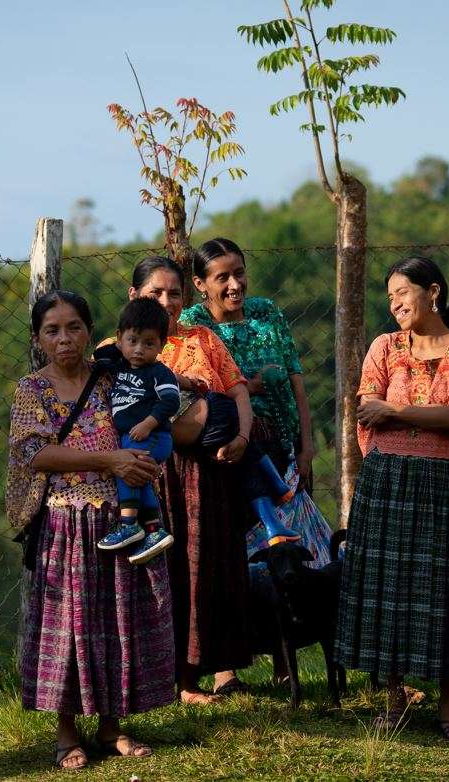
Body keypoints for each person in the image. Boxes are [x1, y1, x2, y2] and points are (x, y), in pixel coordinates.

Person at [7, 290, 175, 770]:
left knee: (117, 623)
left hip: (118, 518)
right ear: (38, 339)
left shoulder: (113, 378)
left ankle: (111, 726)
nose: (65, 339)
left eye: (74, 327)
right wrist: (111, 459)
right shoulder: (32, 390)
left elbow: (151, 419)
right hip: (65, 521)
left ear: (90, 330)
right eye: (52, 330)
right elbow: (32, 455)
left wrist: (143, 461)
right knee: (68, 629)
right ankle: (65, 733)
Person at [337, 256, 449, 744]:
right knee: (390, 589)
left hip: (445, 483)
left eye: (402, 293)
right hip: (387, 481)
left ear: (433, 292)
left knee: (447, 590)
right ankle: (393, 697)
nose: (395, 304)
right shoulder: (384, 347)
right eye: (390, 297)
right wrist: (412, 414)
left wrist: (398, 411)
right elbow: (367, 409)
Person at [127, 256, 256, 701]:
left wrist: (241, 435)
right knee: (161, 571)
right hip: (149, 475)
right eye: (155, 293)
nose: (167, 302)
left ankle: (207, 672)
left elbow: (237, 389)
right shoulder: (119, 347)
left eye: (175, 293)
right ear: (134, 297)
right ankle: (166, 678)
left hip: (205, 473)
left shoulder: (202, 337)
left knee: (207, 567)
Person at [180, 237, 331, 564]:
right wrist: (250, 388)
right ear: (200, 284)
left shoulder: (267, 313)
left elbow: (296, 381)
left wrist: (306, 449)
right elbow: (201, 389)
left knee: (296, 559)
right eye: (222, 278)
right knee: (245, 555)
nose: (235, 285)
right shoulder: (194, 324)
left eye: (240, 273)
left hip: (284, 449)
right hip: (232, 453)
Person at [96, 297, 181, 565]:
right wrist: (116, 349)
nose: (139, 350)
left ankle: (129, 524)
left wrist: (148, 423)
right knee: (140, 477)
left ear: (161, 345)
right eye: (132, 341)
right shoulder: (120, 367)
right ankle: (154, 530)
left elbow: (171, 401)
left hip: (154, 436)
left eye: (149, 343)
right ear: (120, 338)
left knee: (129, 471)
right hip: (132, 437)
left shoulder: (159, 372)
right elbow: (101, 358)